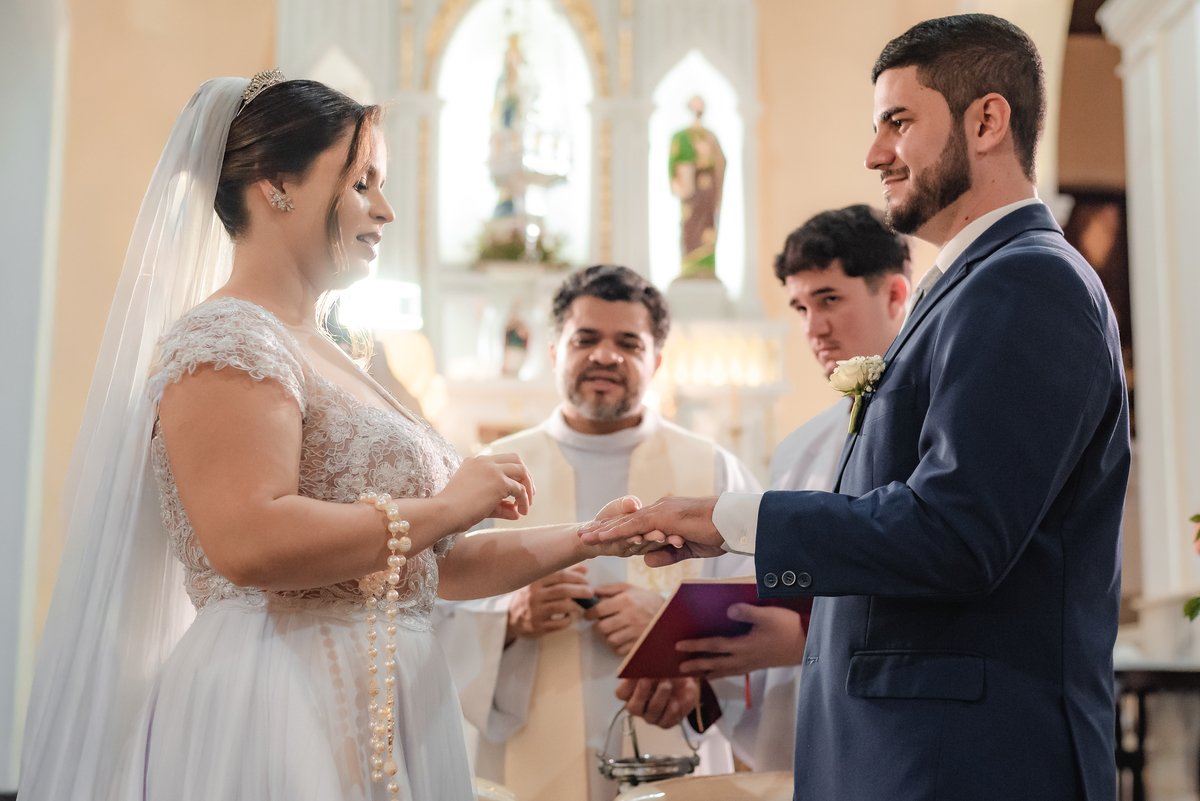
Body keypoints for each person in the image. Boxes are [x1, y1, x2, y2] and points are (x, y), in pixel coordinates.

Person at [19, 74, 666, 801]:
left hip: (386, 692)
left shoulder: (334, 351)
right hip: (278, 693)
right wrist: (451, 506)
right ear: (277, 185)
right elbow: (249, 539)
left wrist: (592, 537)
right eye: (362, 183)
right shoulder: (227, 334)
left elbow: (433, 565)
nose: (384, 210)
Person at [581, 14, 1130, 801]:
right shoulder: (978, 284)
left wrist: (731, 516)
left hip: (963, 760)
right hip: (908, 753)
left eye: (898, 122)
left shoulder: (1027, 282)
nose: (875, 154)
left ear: (986, 120)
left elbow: (956, 534)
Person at [432, 264, 761, 801]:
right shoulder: (490, 472)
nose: (605, 355)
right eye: (585, 338)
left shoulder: (715, 471)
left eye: (628, 343)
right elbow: (427, 606)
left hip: (671, 744)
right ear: (555, 350)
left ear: (655, 359)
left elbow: (760, 601)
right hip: (527, 756)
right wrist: (508, 619)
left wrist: (673, 637)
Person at [622, 205, 911, 772]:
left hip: (896, 723)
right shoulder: (799, 449)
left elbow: (930, 563)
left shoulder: (930, 430)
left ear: (896, 296)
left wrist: (806, 640)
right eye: (800, 306)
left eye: (830, 299)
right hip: (802, 724)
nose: (813, 327)